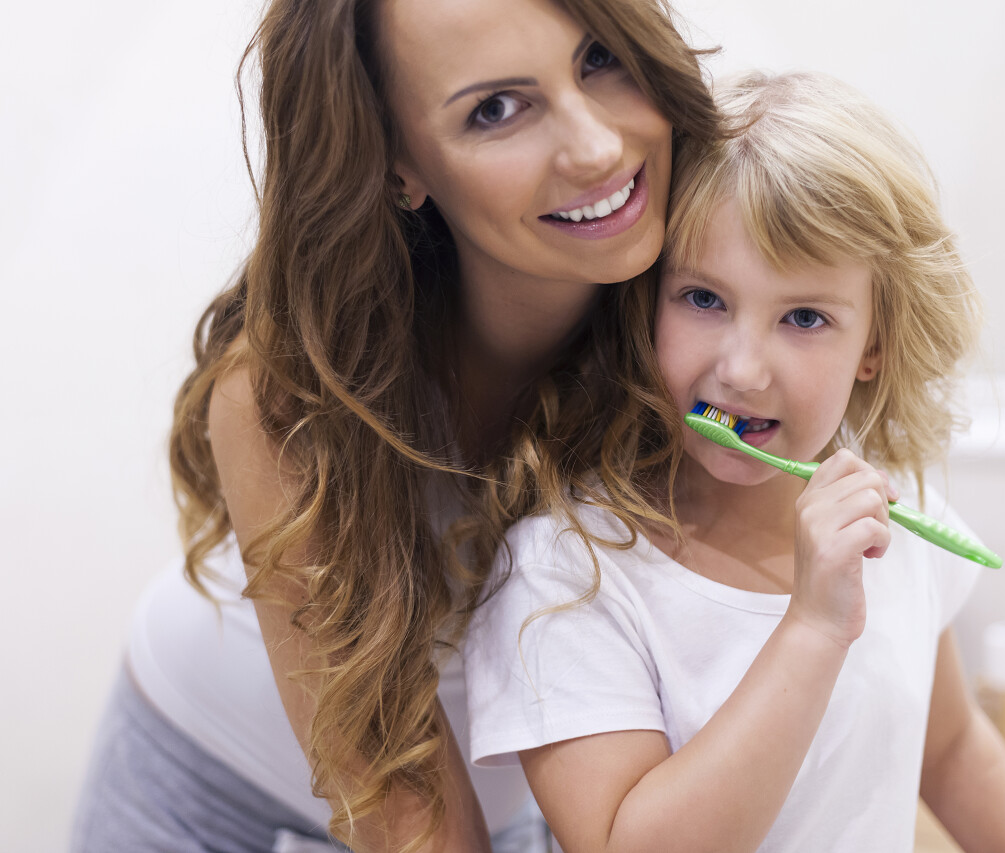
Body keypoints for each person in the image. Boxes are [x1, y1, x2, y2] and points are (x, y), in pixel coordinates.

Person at [70, 0, 719, 851]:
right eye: (496, 108)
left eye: (601, 58)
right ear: (396, 162)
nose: (597, 148)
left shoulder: (729, 325)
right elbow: (401, 811)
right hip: (202, 797)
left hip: (508, 812)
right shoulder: (287, 393)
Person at [464, 71, 1005, 852]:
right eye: (703, 299)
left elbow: (950, 752)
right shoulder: (566, 573)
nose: (743, 370)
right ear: (646, 304)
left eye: (804, 317)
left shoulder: (889, 518)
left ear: (874, 345)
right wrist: (811, 627)